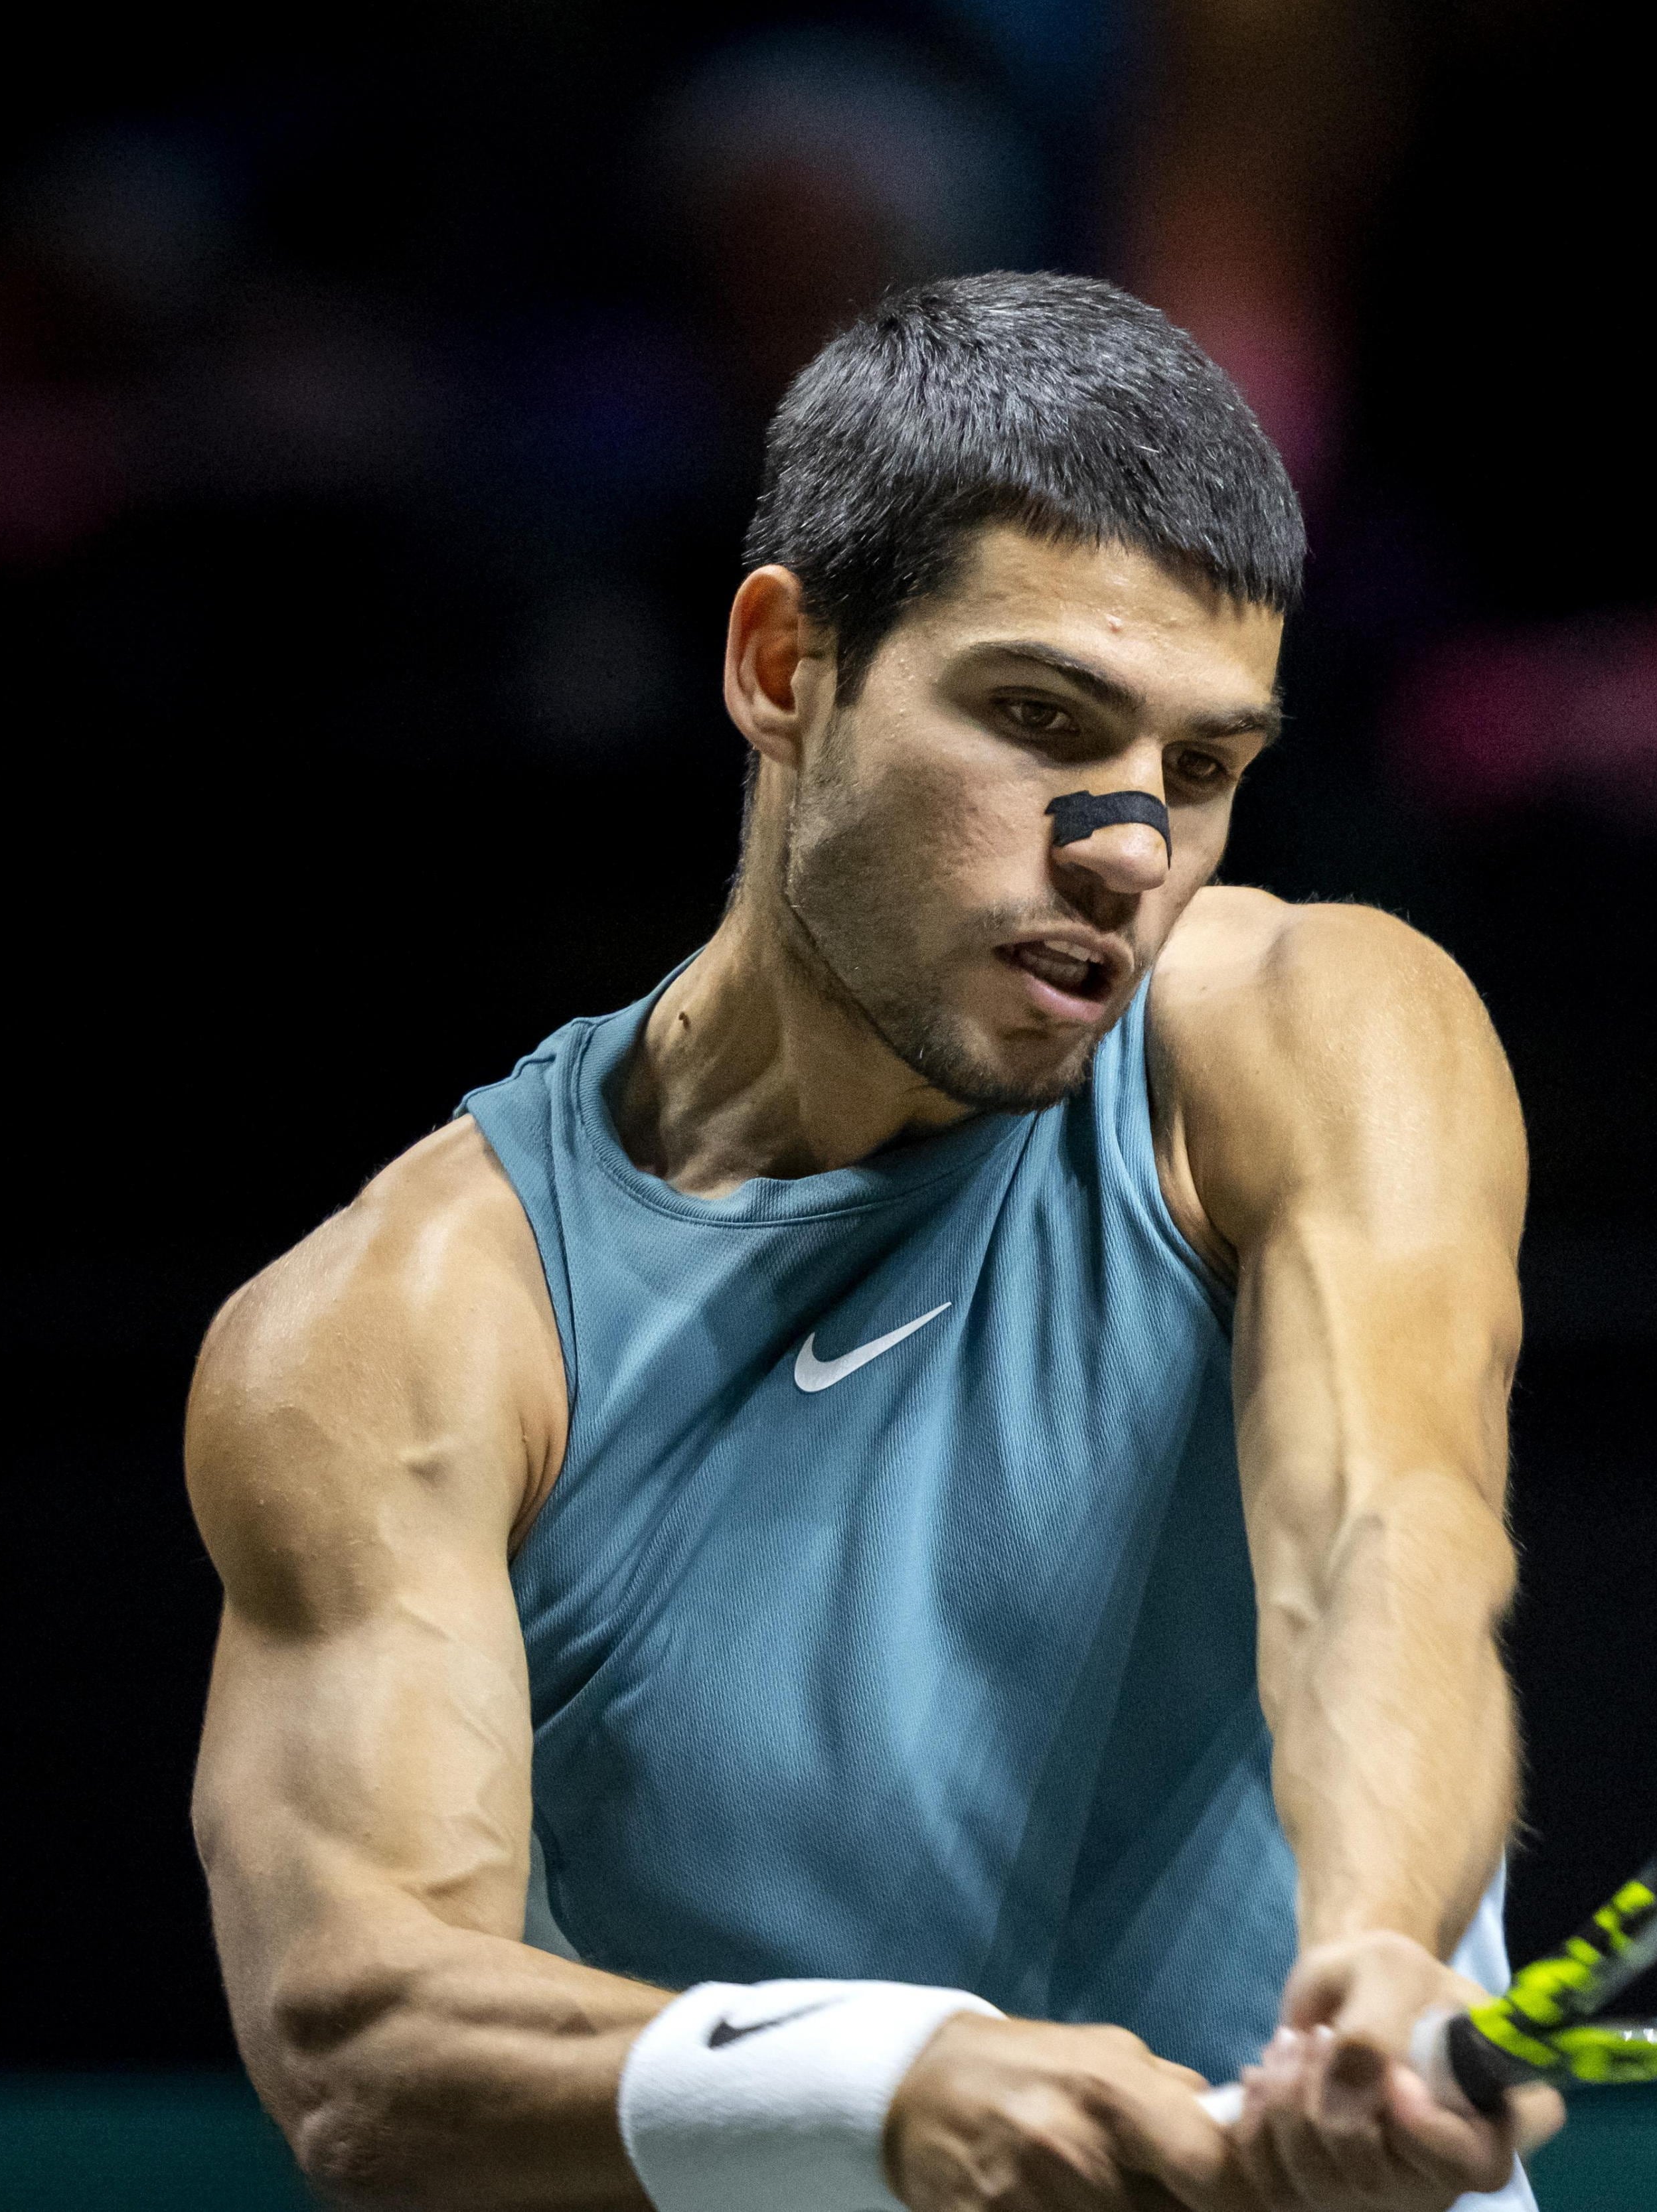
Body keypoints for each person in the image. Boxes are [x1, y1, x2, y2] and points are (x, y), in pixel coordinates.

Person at [187, 271, 1559, 2212]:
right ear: (782, 666)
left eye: (1199, 767)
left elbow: (1384, 1532)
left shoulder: (1308, 1029)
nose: (1126, 849)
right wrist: (884, 2084)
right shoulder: (403, 1330)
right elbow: (356, 2037)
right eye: (1040, 718)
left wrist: (1380, 1949)